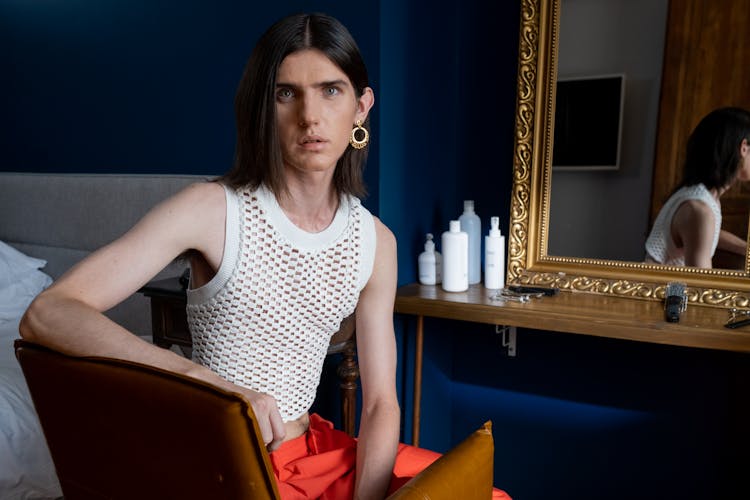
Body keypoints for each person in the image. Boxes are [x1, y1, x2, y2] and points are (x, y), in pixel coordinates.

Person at [19, 13, 509, 500]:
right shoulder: (210, 210)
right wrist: (208, 385)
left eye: (330, 90)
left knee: (479, 492)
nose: (310, 116)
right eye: (285, 93)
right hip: (224, 460)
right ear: (262, 106)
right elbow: (48, 313)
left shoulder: (376, 242)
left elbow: (381, 404)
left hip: (315, 454)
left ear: (362, 107)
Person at [645, 106, 750, 268]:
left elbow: (706, 233)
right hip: (668, 291)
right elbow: (700, 286)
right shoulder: (699, 210)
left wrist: (745, 248)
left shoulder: (701, 197)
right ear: (744, 148)